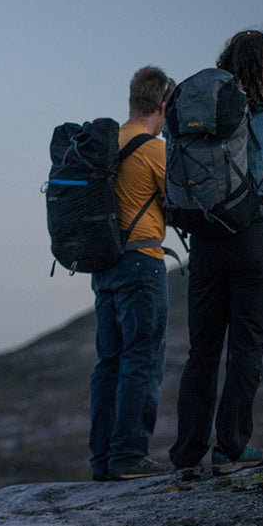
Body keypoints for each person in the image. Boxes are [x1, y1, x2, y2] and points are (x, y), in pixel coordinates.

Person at [169, 30, 263, 478]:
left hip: (205, 243)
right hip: (250, 239)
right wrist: (256, 195)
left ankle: (187, 456)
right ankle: (230, 451)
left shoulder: (202, 123)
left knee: (202, 351)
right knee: (246, 346)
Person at [89, 66, 176, 481]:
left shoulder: (107, 142)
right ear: (163, 106)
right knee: (142, 358)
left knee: (108, 363)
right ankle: (128, 456)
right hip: (141, 262)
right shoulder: (155, 149)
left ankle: (102, 459)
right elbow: (179, 201)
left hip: (102, 266)